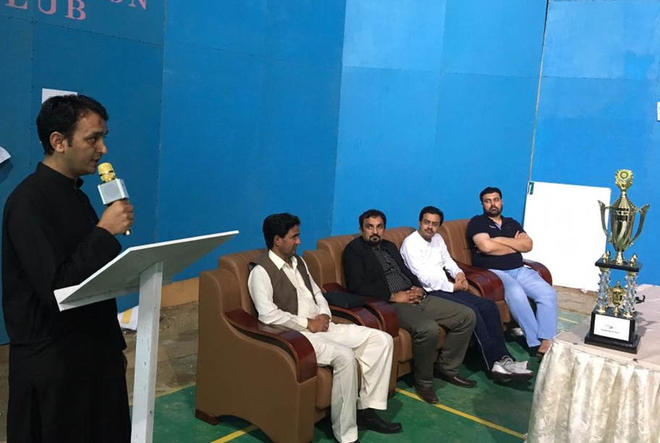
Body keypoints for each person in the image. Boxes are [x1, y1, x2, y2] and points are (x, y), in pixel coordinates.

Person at [2, 94, 135, 442]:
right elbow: (58, 289)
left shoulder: (77, 195)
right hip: (53, 366)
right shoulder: (27, 204)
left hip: (93, 355)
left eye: (103, 138)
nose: (103, 149)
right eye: (93, 139)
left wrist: (112, 350)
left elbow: (90, 273)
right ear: (58, 141)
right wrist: (104, 232)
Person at [248, 213, 401, 443]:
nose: (299, 241)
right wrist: (308, 324)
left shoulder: (299, 261)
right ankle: (345, 433)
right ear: (277, 240)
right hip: (298, 336)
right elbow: (267, 314)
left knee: (382, 340)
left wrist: (324, 315)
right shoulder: (260, 272)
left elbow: (318, 293)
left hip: (324, 326)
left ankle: (365, 411)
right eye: (294, 237)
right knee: (345, 356)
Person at [342, 209, 477, 405]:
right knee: (428, 328)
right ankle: (424, 382)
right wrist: (392, 296)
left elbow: (406, 271)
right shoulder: (354, 251)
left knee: (466, 316)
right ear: (361, 229)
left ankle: (447, 368)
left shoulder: (389, 246)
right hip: (389, 304)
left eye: (379, 227)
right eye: (369, 227)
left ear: (384, 229)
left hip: (415, 295)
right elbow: (356, 286)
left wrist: (418, 288)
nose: (375, 232)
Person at [400, 206, 532, 382]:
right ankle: (494, 364)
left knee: (488, 306)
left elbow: (448, 261)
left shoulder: (437, 238)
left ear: (439, 226)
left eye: (434, 224)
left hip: (448, 286)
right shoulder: (410, 243)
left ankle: (505, 358)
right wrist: (453, 286)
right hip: (431, 292)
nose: (430, 227)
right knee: (473, 312)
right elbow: (423, 277)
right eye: (426, 222)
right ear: (419, 222)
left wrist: (459, 274)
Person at [467, 187, 557, 357]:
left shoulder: (512, 223)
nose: (492, 204)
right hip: (493, 273)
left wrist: (499, 240)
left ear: (501, 201)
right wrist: (515, 245)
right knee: (516, 293)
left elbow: (528, 245)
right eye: (488, 201)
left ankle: (546, 339)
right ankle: (535, 342)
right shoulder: (477, 222)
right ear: (482, 204)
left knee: (548, 293)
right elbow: (486, 247)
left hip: (519, 269)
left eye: (496, 199)